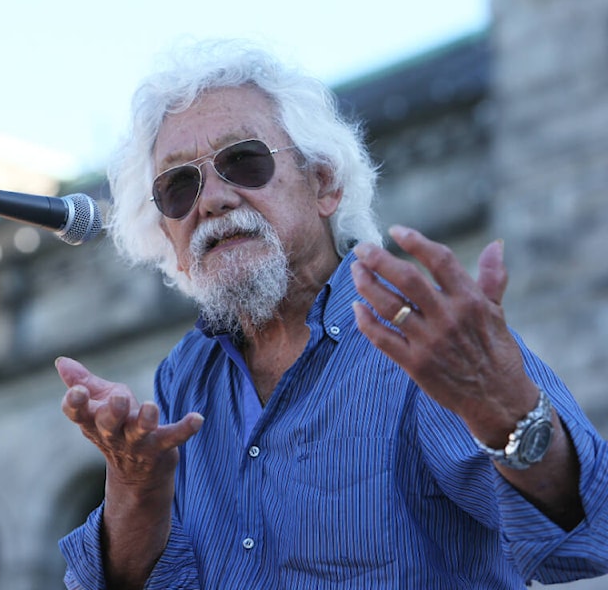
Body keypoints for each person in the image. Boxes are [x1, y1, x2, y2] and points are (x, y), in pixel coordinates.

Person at [54, 39, 608, 589]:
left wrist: (509, 417)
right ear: (169, 237)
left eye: (243, 160)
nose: (212, 200)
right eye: (179, 186)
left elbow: (588, 537)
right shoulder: (185, 375)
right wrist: (133, 490)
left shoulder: (416, 333)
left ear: (324, 183)